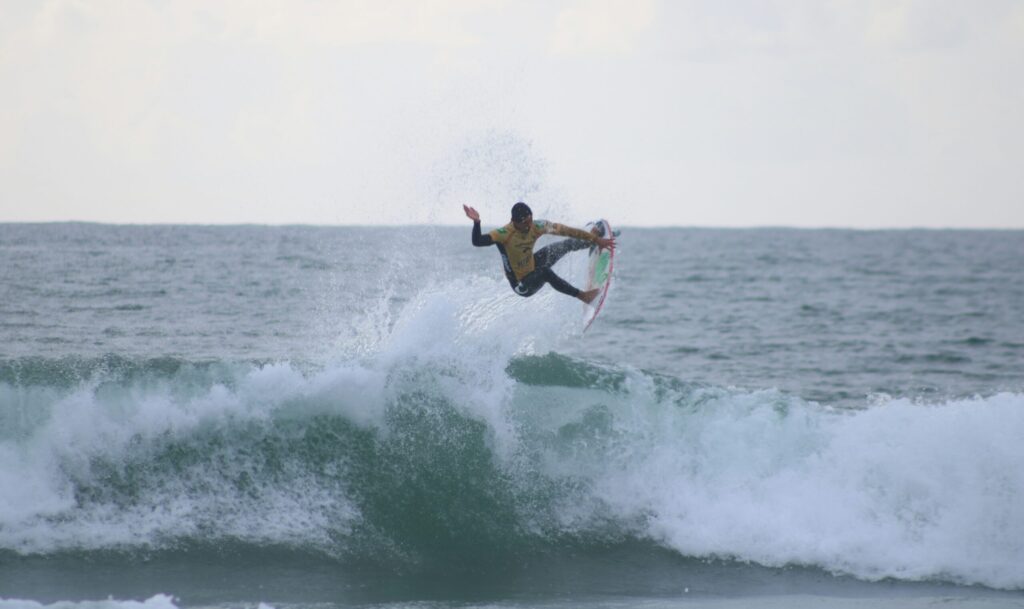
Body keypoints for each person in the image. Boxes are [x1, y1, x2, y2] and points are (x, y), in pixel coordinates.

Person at [463, 202, 615, 304]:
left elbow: (565, 230)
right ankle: (584, 296)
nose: (530, 225)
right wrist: (477, 222)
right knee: (545, 272)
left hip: (532, 265)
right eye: (526, 223)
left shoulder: (536, 225)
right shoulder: (504, 234)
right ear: (515, 222)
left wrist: (594, 238)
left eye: (531, 220)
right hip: (522, 284)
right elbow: (477, 241)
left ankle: (592, 242)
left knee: (561, 245)